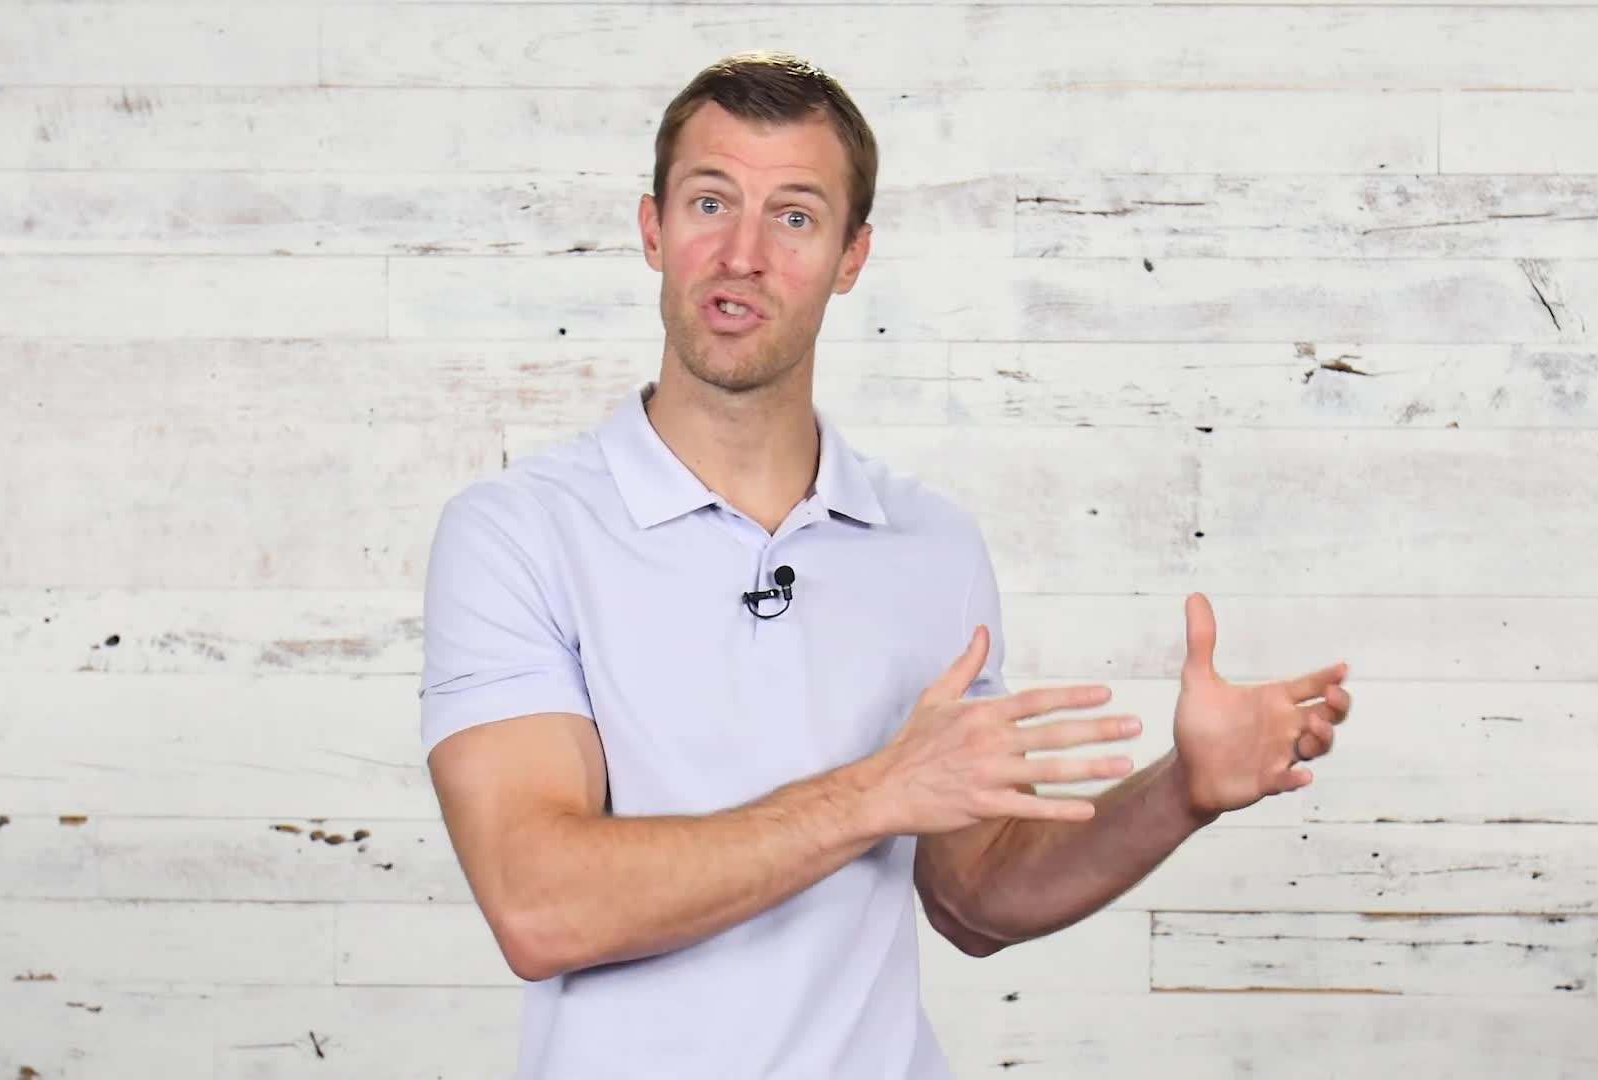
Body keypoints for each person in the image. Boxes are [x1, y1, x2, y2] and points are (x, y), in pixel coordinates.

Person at [418, 50, 1354, 1080]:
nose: (742, 255)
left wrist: (1184, 792)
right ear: (652, 228)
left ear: (853, 255)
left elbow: (975, 897)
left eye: (796, 216)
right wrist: (875, 793)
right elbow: (540, 905)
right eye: (710, 202)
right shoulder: (519, 534)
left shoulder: (931, 547)